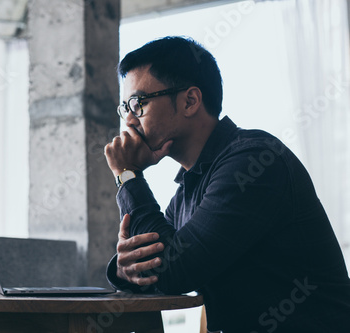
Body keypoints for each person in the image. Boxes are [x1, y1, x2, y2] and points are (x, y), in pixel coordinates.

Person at [103, 36, 350, 333]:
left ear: (190, 101)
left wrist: (128, 174)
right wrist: (123, 268)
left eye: (138, 103)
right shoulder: (188, 191)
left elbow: (173, 271)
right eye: (125, 107)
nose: (129, 120)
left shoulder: (255, 161)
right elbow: (158, 269)